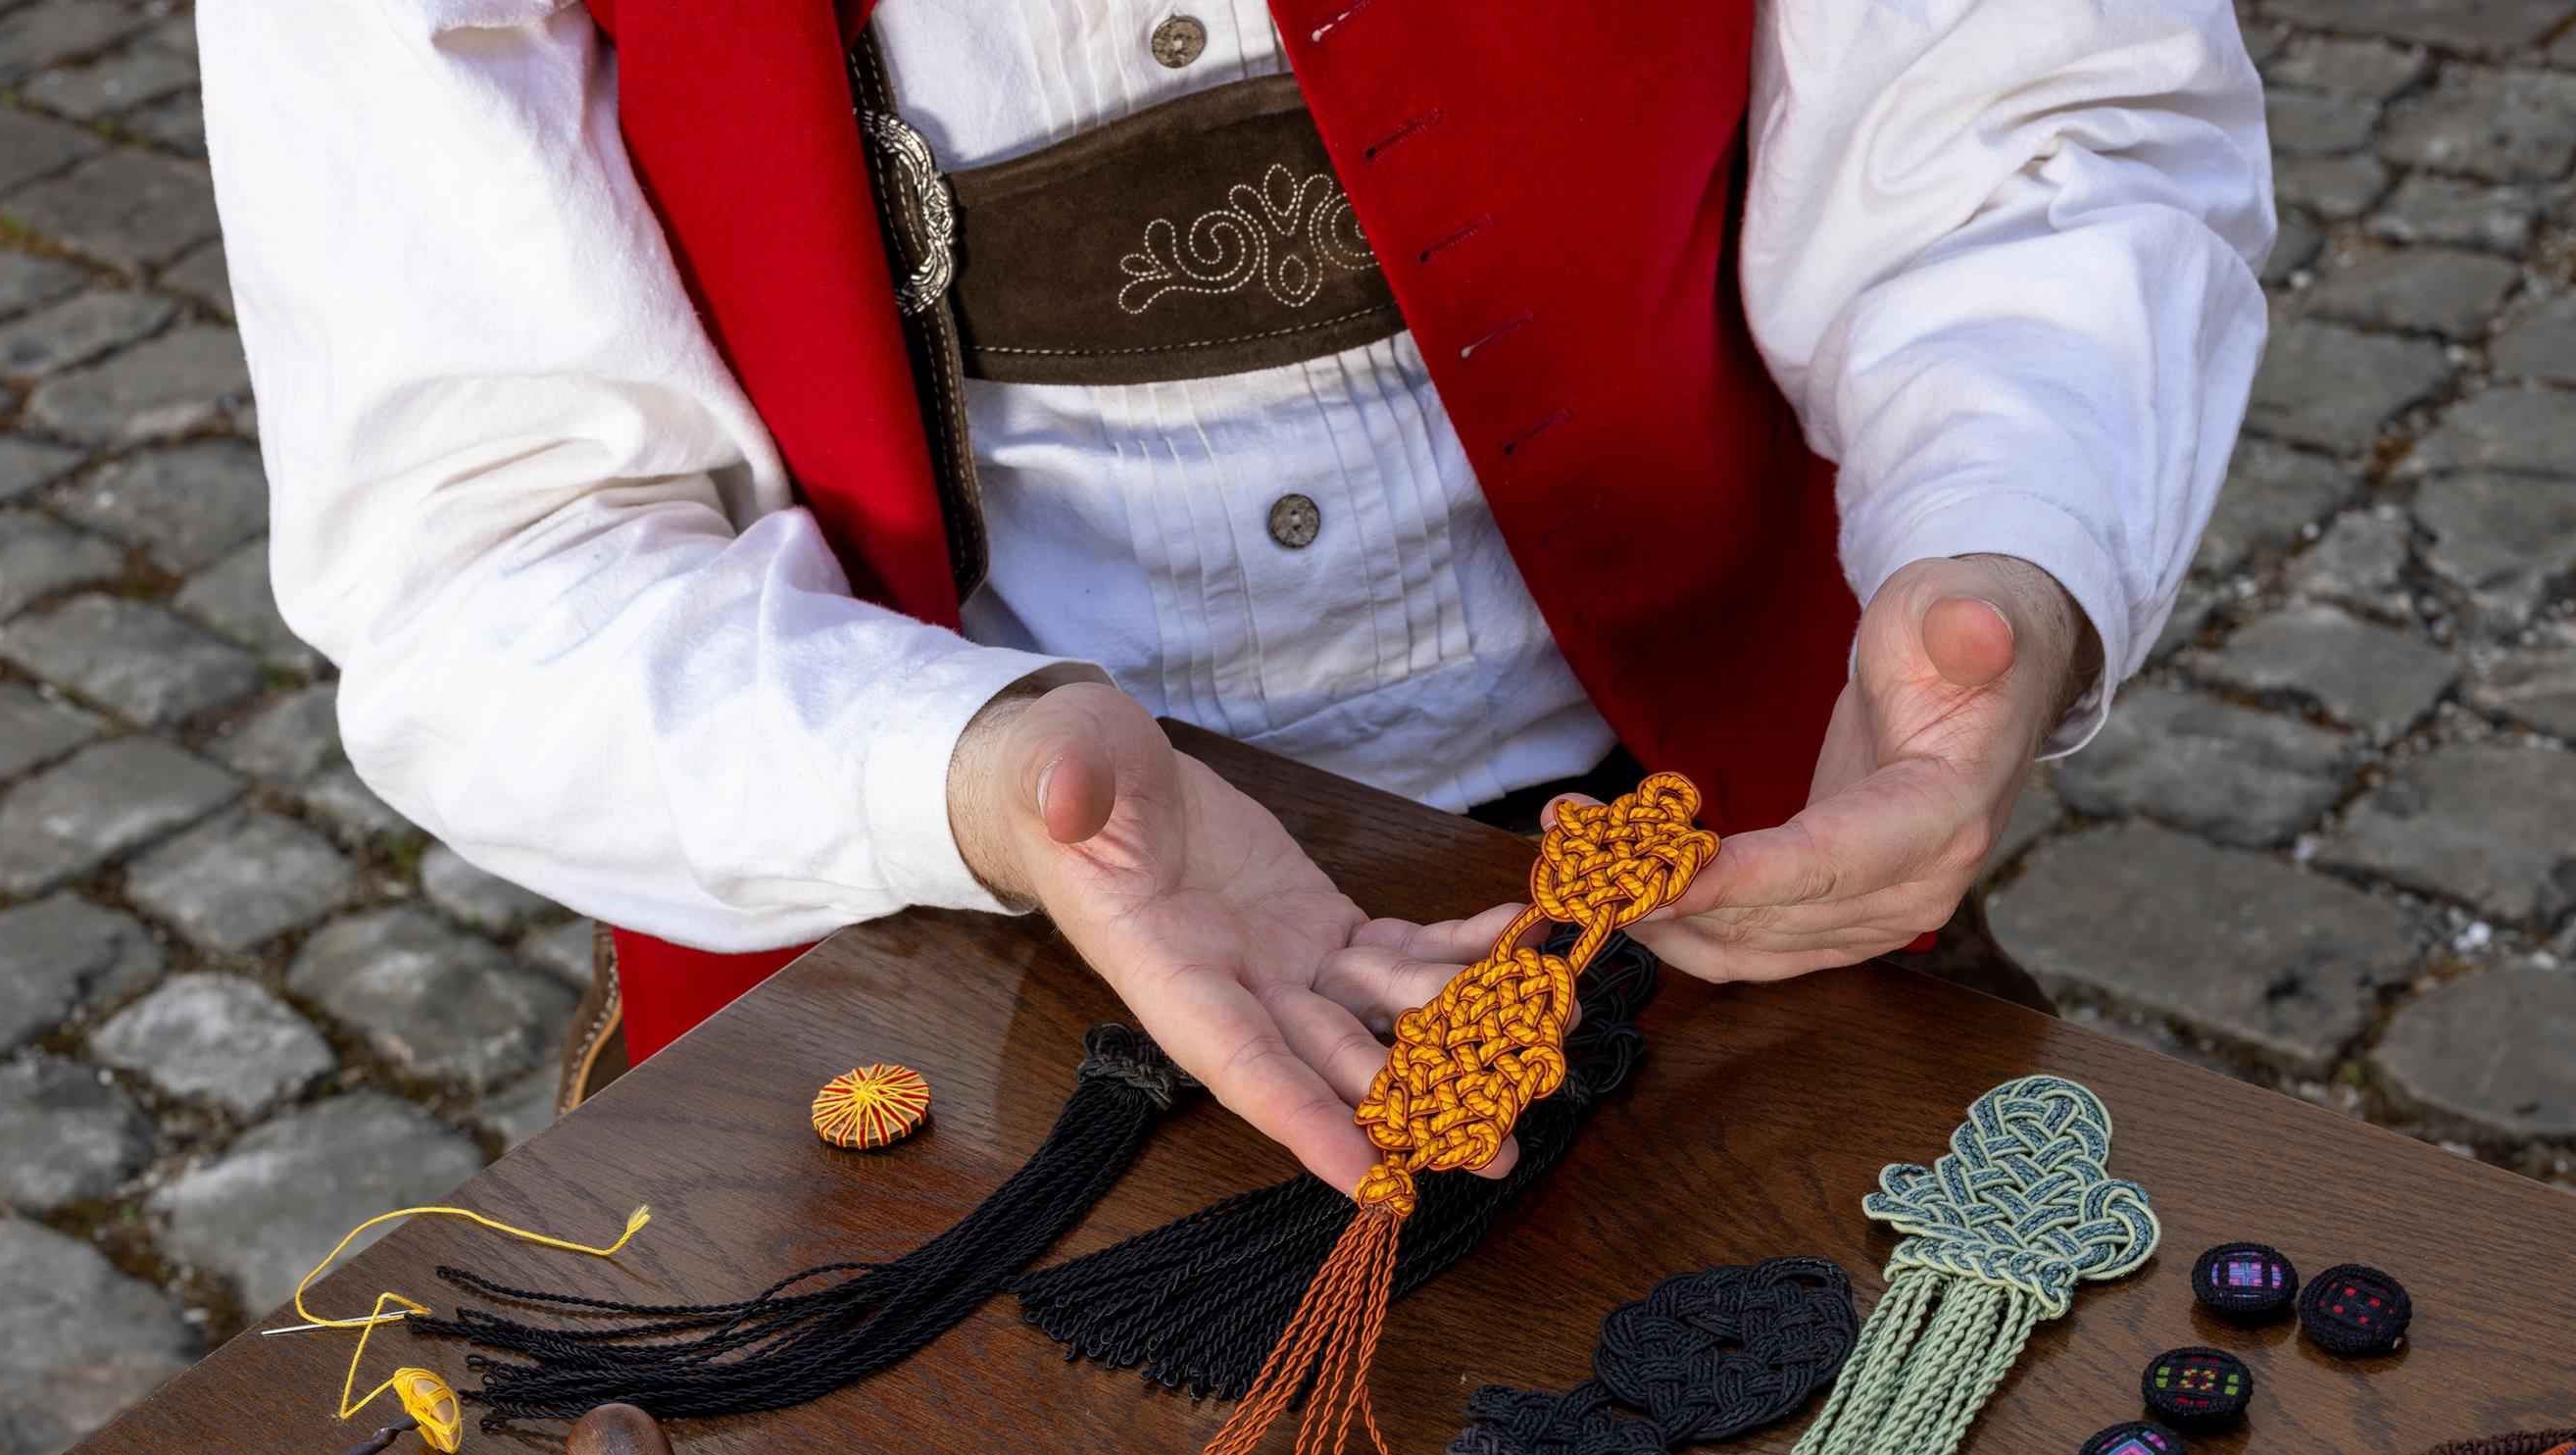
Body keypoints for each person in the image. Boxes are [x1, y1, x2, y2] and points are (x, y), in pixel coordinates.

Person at [198, 0, 2271, 1195]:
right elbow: (490, 521)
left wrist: (2006, 512)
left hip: (1712, 866)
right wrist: (968, 762)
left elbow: (2024, 104)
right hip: (906, 918)